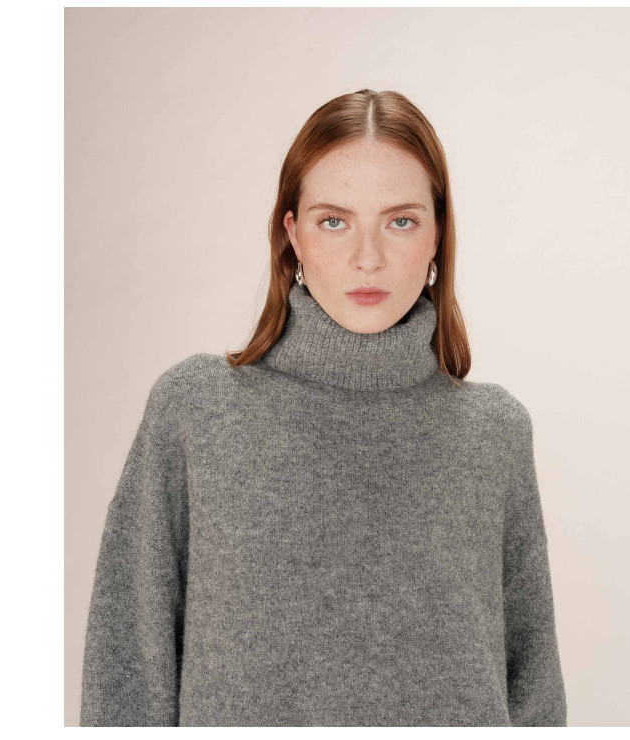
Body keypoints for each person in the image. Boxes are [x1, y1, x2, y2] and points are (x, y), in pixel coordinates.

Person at [79, 88, 567, 727]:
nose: (368, 258)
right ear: (293, 237)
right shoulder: (195, 411)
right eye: (334, 221)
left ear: (438, 236)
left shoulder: (494, 432)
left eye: (400, 221)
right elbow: (126, 671)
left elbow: (534, 690)